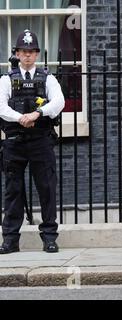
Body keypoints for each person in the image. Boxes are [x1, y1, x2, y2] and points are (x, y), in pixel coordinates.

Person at [0, 29, 65, 254]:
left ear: (37, 54)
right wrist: (20, 118)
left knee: (46, 189)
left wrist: (36, 114)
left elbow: (59, 102)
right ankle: (10, 240)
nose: (27, 55)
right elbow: (1, 107)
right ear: (17, 54)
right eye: (23, 51)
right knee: (12, 191)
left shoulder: (48, 79)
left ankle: (49, 238)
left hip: (40, 141)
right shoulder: (6, 80)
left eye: (31, 51)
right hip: (15, 142)